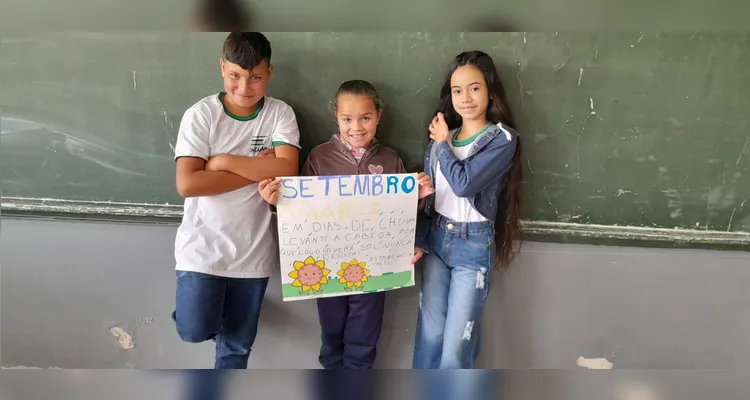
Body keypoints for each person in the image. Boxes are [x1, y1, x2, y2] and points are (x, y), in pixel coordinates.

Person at [258, 80, 434, 369]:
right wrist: (275, 202)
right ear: (335, 116)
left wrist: (417, 197)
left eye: (365, 118)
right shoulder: (319, 157)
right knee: (331, 334)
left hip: (375, 267)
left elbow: (399, 215)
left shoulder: (390, 160)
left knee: (364, 338)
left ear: (379, 116)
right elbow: (299, 211)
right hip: (327, 267)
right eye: (347, 119)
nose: (357, 127)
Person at [171, 32, 301, 369]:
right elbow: (187, 183)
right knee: (194, 328)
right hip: (202, 249)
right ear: (222, 68)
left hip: (252, 252)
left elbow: (288, 168)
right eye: (235, 76)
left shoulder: (279, 113)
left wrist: (222, 161)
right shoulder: (201, 115)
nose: (245, 87)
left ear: (269, 73)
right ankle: (212, 309)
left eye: (256, 77)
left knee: (237, 349)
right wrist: (260, 167)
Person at [412, 50, 524, 369]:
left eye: (474, 88)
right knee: (430, 337)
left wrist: (442, 143)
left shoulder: (501, 139)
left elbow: (464, 184)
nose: (466, 98)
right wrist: (419, 234)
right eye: (457, 90)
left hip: (472, 248)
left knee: (455, 348)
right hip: (436, 242)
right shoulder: (442, 137)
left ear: (490, 89)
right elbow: (433, 201)